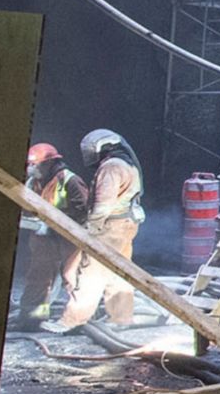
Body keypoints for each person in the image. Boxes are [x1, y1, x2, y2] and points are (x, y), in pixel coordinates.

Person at [51, 128, 145, 331]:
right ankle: (121, 318)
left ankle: (72, 321)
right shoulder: (126, 164)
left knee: (89, 274)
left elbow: (103, 204)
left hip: (109, 227)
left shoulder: (111, 167)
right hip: (125, 224)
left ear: (100, 148)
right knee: (118, 273)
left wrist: (91, 230)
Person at [16, 142, 87, 324]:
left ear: (49, 163)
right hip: (43, 239)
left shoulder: (70, 180)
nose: (31, 169)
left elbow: (83, 211)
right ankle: (33, 317)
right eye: (29, 165)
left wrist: (55, 223)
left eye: (35, 164)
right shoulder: (33, 182)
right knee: (39, 276)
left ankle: (77, 320)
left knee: (73, 278)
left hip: (68, 238)